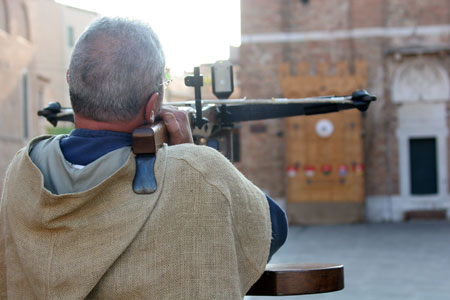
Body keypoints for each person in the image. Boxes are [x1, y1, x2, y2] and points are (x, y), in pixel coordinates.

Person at [0, 17, 287, 299]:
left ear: (70, 83)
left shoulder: (22, 169)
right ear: (153, 106)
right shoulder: (200, 172)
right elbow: (272, 228)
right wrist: (188, 153)